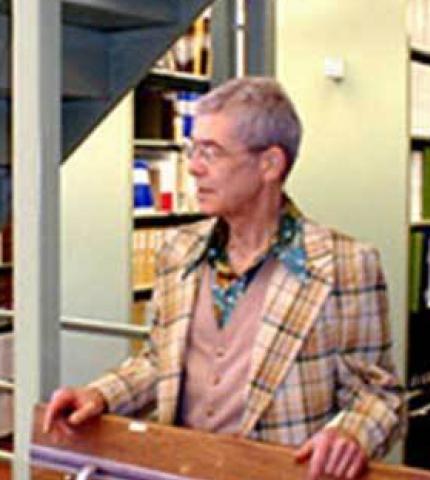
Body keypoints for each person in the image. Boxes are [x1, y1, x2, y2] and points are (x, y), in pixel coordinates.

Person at [43, 77, 405, 480]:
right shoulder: (179, 250)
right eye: (193, 149)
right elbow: (158, 362)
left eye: (211, 152)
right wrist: (100, 394)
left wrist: (351, 433)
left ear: (270, 164)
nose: (193, 167)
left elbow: (379, 396)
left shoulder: (344, 265)